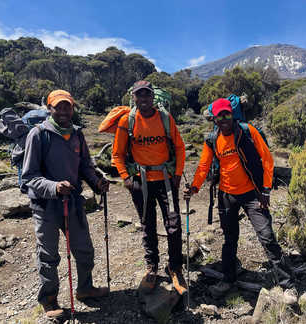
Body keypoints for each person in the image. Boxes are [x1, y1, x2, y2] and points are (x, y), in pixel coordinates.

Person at [184, 98, 295, 297]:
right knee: (229, 239)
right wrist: (194, 187)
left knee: (267, 236)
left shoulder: (247, 131)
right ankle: (228, 279)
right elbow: (203, 166)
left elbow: (267, 159)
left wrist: (266, 189)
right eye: (220, 116)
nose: (225, 118)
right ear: (215, 119)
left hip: (253, 194)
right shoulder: (212, 140)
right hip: (226, 195)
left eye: (228, 114)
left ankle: (288, 285)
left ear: (232, 115)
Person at [21, 90, 110, 320]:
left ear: (72, 109)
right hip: (46, 205)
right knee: (48, 255)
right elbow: (29, 176)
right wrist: (53, 187)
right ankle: (49, 302)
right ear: (49, 108)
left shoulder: (77, 135)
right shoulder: (38, 134)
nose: (63, 111)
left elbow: (85, 167)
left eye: (67, 107)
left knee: (84, 250)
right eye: (58, 107)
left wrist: (97, 182)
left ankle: (85, 289)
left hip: (73, 202)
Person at [112, 80, 187, 295]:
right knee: (148, 225)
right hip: (140, 181)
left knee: (173, 224)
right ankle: (151, 267)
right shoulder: (128, 120)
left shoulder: (165, 118)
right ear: (133, 97)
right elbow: (117, 153)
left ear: (152, 97)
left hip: (165, 180)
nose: (143, 99)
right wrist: (126, 177)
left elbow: (180, 147)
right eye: (139, 95)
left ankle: (175, 267)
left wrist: (178, 174)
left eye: (147, 95)